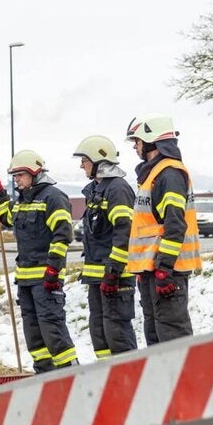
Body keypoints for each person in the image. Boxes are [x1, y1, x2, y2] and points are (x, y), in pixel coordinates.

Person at [0, 150, 78, 373]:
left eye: (20, 175)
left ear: (34, 173)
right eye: (14, 176)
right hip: (25, 279)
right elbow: (5, 218)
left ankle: (71, 373)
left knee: (52, 328)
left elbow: (63, 234)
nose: (16, 180)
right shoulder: (22, 200)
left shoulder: (53, 197)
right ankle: (44, 373)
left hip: (46, 278)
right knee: (33, 331)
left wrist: (53, 270)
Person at [125, 114, 201, 344]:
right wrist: (146, 270)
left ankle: (184, 381)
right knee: (156, 338)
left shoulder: (169, 174)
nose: (135, 147)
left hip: (168, 271)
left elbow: (175, 225)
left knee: (173, 339)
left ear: (151, 141)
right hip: (153, 271)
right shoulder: (153, 176)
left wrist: (163, 269)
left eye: (136, 142)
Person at [73, 135, 138, 358]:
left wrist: (113, 271)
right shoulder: (95, 189)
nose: (81, 164)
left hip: (115, 276)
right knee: (99, 332)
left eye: (84, 160)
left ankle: (129, 380)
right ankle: (107, 380)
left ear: (99, 161)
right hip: (96, 275)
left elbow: (124, 231)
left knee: (117, 332)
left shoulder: (118, 189)